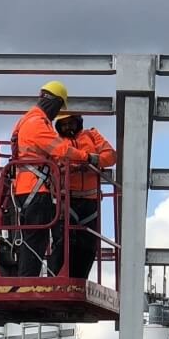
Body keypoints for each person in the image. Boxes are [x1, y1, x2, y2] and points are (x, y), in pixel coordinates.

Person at [9, 81, 101, 277]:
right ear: (54, 102)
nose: (57, 113)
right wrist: (86, 157)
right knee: (36, 238)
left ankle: (27, 279)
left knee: (36, 237)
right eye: (59, 107)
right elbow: (60, 149)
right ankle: (27, 281)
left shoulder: (27, 120)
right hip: (35, 188)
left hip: (29, 187)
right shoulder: (37, 123)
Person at [50, 112, 117, 279]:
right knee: (63, 243)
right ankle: (57, 279)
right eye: (63, 124)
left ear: (77, 121)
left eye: (70, 122)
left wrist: (91, 161)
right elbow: (49, 165)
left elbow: (110, 156)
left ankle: (80, 281)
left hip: (90, 202)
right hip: (66, 200)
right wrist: (67, 168)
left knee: (88, 245)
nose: (67, 127)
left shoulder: (92, 135)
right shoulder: (55, 142)